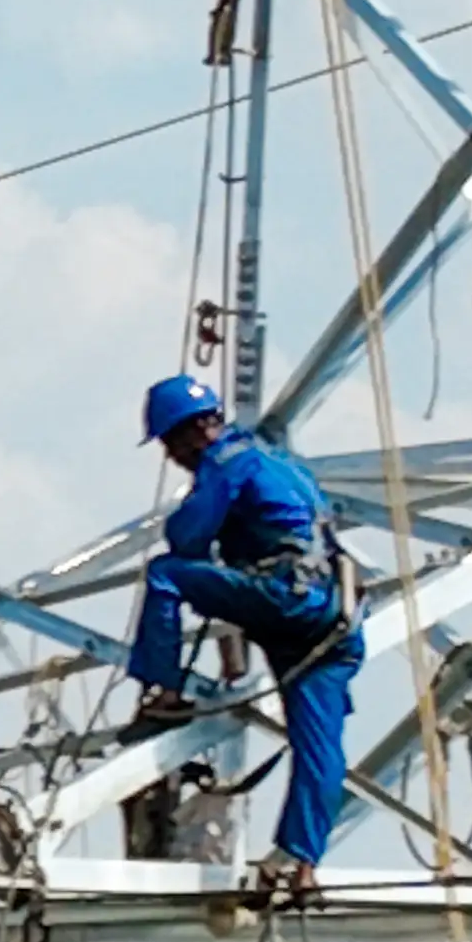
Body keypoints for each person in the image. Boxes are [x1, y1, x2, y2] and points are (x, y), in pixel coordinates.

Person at [126, 372, 359, 891]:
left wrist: (208, 528)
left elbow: (187, 538)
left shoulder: (227, 461)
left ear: (194, 431)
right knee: (319, 745)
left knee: (165, 576)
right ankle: (299, 859)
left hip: (285, 599)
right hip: (333, 617)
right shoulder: (279, 460)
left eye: (170, 444)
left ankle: (165, 690)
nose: (171, 457)